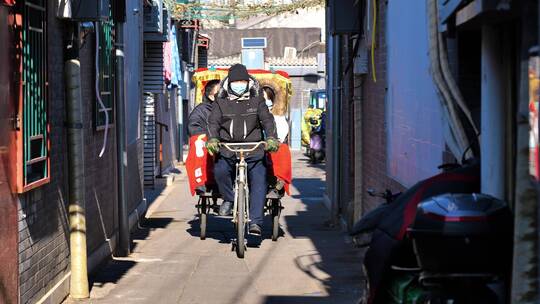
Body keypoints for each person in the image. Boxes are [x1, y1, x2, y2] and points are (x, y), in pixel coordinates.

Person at [206, 64, 279, 236]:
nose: (239, 84)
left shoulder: (257, 99)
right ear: (229, 83)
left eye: (242, 81)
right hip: (228, 148)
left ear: (247, 82)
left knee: (259, 180)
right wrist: (213, 138)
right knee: (221, 171)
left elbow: (267, 120)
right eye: (236, 81)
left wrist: (270, 137)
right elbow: (213, 122)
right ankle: (230, 199)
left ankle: (256, 223)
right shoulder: (220, 100)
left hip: (253, 149)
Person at [185, 80, 221, 195]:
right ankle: (203, 180)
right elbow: (193, 126)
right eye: (219, 92)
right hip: (210, 142)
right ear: (211, 95)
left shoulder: (230, 107)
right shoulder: (201, 109)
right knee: (200, 142)